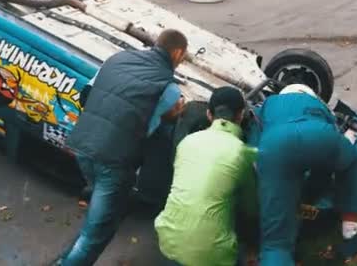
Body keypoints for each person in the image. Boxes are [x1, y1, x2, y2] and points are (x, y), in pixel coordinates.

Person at [60, 29, 188, 265]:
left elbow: (85, 96)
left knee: (100, 214)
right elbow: (156, 134)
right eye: (183, 58)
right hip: (115, 161)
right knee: (95, 234)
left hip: (83, 146)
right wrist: (172, 116)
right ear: (178, 53)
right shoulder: (168, 89)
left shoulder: (117, 58)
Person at [249, 84, 357, 265]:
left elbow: (255, 146)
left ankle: (278, 255)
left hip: (276, 146)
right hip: (320, 135)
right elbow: (332, 144)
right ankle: (350, 231)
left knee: (275, 244)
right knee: (351, 162)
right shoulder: (318, 105)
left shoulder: (268, 105)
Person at [155, 86, 258, 266]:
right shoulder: (243, 153)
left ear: (209, 115)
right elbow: (250, 208)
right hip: (214, 255)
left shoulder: (187, 142)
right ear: (241, 115)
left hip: (168, 240)